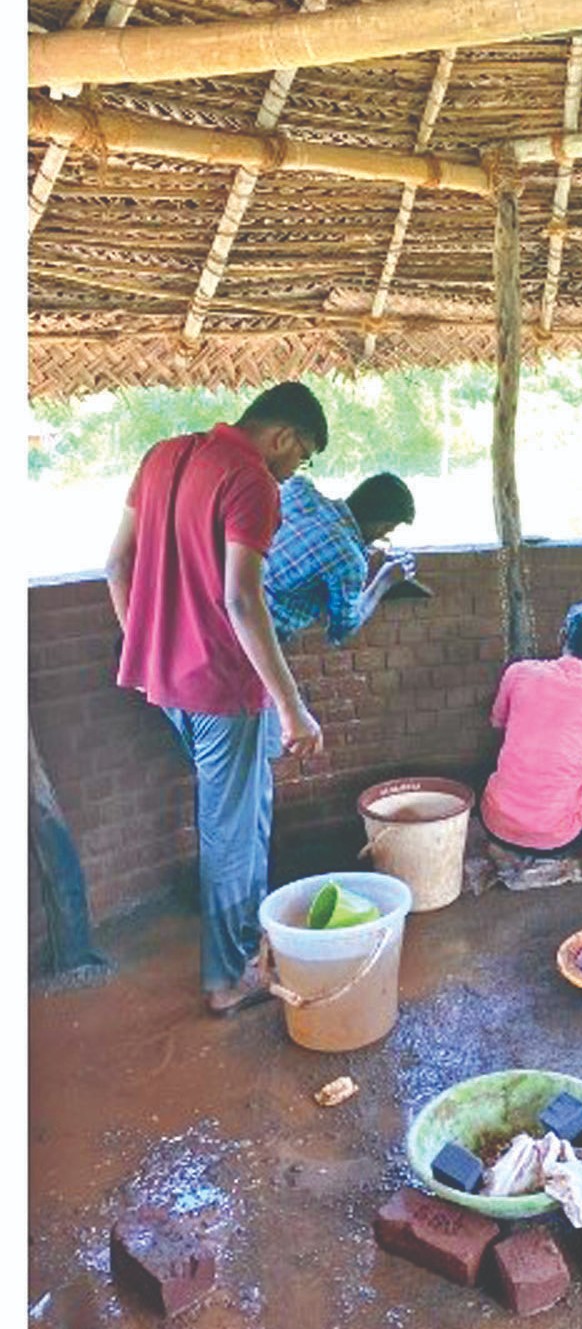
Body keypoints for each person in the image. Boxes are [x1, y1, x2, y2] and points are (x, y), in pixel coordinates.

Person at [104, 381, 330, 1014]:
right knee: (235, 833)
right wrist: (292, 705)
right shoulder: (251, 478)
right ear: (283, 436)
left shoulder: (161, 455)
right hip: (224, 687)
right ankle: (228, 980)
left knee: (232, 818)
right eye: (302, 456)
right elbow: (240, 598)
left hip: (168, 680)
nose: (294, 473)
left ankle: (240, 950)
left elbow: (115, 565)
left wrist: (146, 647)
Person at [480, 602, 582, 878]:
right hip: (561, 838)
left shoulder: (518, 673)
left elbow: (498, 723)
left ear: (561, 635)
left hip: (495, 824)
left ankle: (507, 848)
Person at [263, 471, 416, 644]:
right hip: (259, 633)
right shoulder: (350, 560)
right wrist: (385, 580)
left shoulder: (298, 488)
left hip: (231, 599)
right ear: (382, 526)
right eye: (388, 530)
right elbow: (343, 629)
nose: (383, 535)